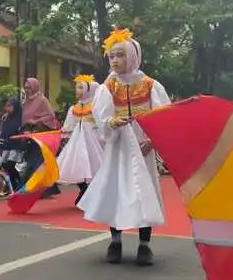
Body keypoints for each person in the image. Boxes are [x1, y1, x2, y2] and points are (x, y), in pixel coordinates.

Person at [77, 28, 170, 266]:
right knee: (116, 189)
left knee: (145, 191)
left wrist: (153, 140)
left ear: (133, 55)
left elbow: (164, 116)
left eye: (120, 55)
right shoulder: (108, 86)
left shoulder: (151, 85)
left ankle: (144, 245)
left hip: (143, 146)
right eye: (111, 56)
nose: (115, 60)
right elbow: (101, 116)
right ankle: (115, 242)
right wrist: (111, 123)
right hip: (118, 145)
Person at [58, 75, 104, 205]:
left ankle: (91, 194)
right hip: (77, 144)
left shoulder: (96, 107)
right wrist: (65, 132)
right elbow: (69, 125)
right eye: (77, 87)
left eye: (80, 87)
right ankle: (84, 190)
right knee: (76, 167)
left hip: (93, 143)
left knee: (94, 168)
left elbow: (102, 124)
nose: (76, 90)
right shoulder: (74, 108)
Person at [0, 98, 24, 191]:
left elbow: (21, 130)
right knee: (5, 165)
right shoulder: (6, 117)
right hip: (7, 144)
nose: (7, 108)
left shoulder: (21, 117)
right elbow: (4, 130)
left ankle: (20, 184)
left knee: (10, 165)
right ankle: (17, 188)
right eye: (6, 106)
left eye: (9, 106)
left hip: (16, 145)